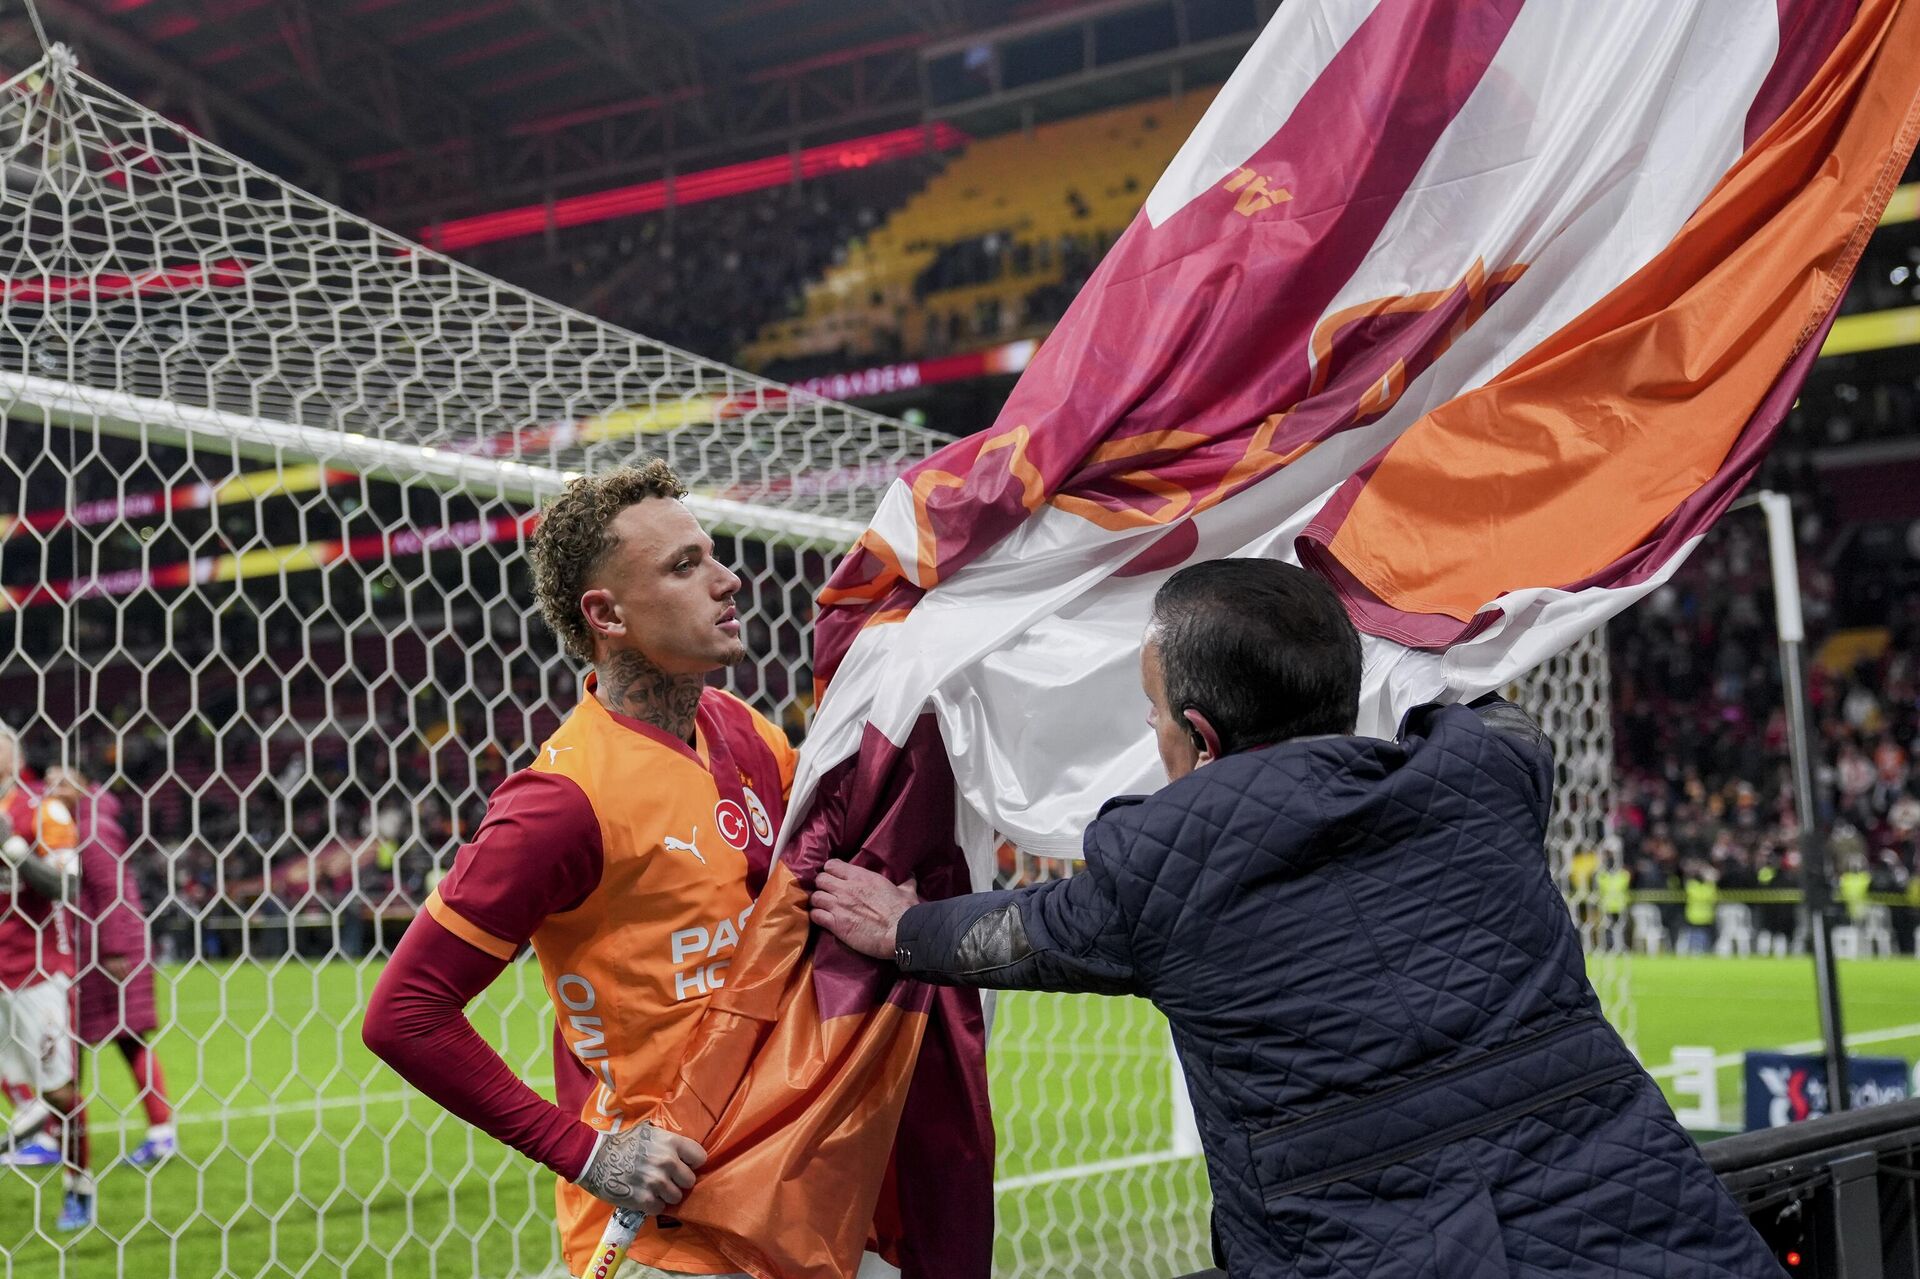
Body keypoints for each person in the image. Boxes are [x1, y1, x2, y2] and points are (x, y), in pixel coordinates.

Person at [811, 559, 1780, 1278]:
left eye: (1154, 711)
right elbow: (1491, 712)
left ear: (1201, 735)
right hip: (1646, 1223)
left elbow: (1017, 935)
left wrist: (900, 928)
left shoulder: (1156, 867)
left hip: (1360, 1247)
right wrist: (1394, 623)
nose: (1151, 731)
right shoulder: (1483, 779)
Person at [364, 461, 797, 1279]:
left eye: (711, 554)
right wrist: (590, 1153)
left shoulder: (747, 732)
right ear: (607, 614)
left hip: (786, 1189)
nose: (728, 578)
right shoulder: (563, 799)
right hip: (662, 1236)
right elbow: (404, 1012)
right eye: (685, 565)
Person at [46, 767, 177, 1167]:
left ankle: (60, 1135)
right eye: (49, 783)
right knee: (91, 1039)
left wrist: (115, 948)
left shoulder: (93, 828)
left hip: (107, 953)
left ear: (83, 785)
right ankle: (62, 1133)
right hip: (93, 950)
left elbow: (111, 889)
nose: (53, 791)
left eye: (62, 782)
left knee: (105, 1038)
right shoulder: (82, 823)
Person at [0, 726, 94, 1231]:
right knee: (19, 1083)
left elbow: (67, 886)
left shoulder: (44, 810)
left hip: (37, 972)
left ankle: (79, 1185)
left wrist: (13, 849)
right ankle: (31, 1119)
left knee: (60, 1092)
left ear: (12, 755)